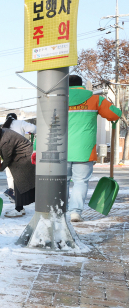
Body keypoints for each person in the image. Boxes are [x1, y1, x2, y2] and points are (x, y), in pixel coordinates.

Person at [64, 75, 121, 222]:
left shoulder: (58, 100)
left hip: (60, 149)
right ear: (81, 85)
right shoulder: (95, 99)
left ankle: (60, 209)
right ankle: (75, 212)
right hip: (84, 150)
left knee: (61, 181)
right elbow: (114, 115)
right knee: (80, 181)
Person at [0, 125, 35, 217]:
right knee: (19, 184)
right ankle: (20, 208)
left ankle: (19, 209)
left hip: (25, 159)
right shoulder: (2, 134)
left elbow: (7, 159)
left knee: (21, 184)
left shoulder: (6, 140)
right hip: (20, 158)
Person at [1, 113, 36, 203]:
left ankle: (11, 191)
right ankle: (17, 195)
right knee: (20, 176)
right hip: (18, 153)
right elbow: (34, 128)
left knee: (10, 175)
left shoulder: (3, 127)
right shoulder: (20, 123)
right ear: (15, 118)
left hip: (5, 154)